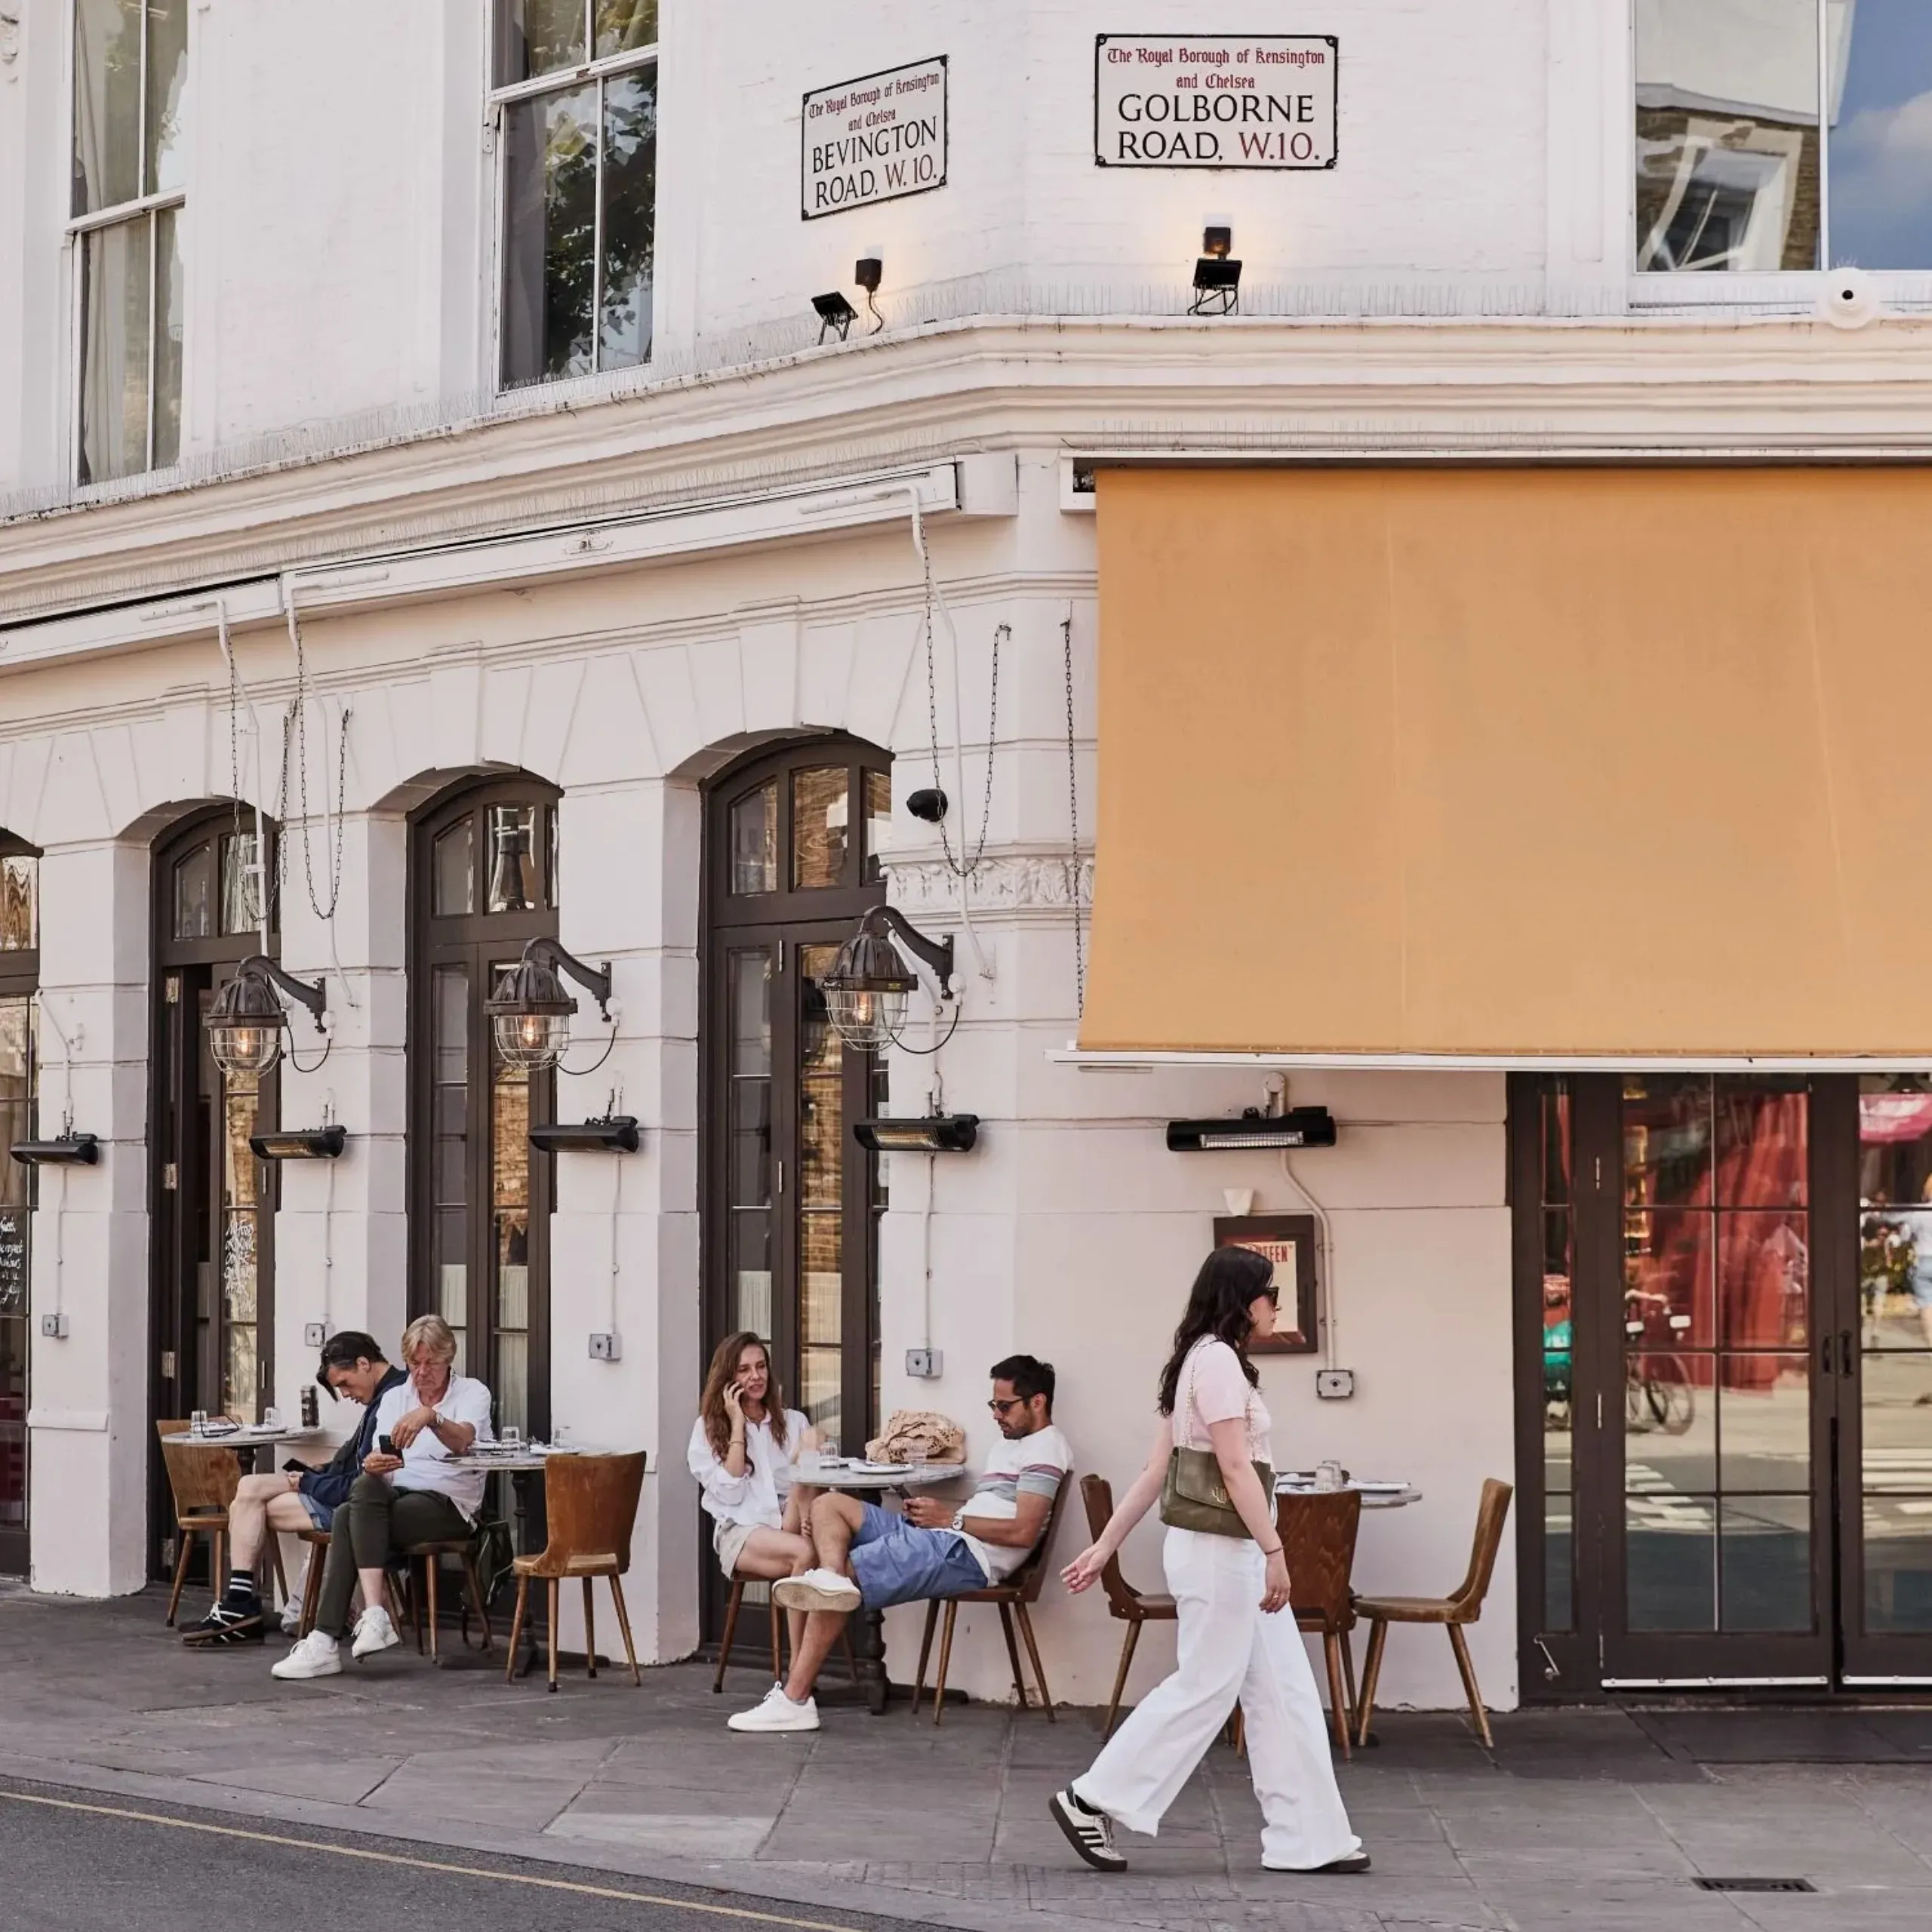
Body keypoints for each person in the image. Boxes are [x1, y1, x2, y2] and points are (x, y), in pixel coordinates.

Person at [1050, 1247, 1367, 1877]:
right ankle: (1092, 1797)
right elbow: (1231, 1465)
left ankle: (1309, 1838)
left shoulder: (1197, 1359)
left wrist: (1106, 1543)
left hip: (1225, 1552)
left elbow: (1155, 1470)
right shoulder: (1218, 1362)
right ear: (1244, 1300)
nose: (1276, 1306)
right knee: (1207, 1685)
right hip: (1226, 1555)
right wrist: (1276, 1551)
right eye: (1271, 1294)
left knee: (1285, 1694)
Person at [728, 1355, 1070, 1734]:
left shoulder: (1045, 1450)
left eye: (1004, 1406)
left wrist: (949, 1519)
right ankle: (829, 1577)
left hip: (966, 1555)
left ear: (1037, 1402)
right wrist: (939, 1519)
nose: (996, 1415)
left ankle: (795, 1698)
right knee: (828, 1505)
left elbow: (1023, 1532)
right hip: (944, 1538)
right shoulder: (1011, 1444)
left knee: (846, 1575)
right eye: (993, 1405)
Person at [272, 1315, 494, 1681]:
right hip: (396, 1497)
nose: (422, 1372)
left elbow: (463, 1441)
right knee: (361, 1492)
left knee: (346, 1516)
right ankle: (366, 1619)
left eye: (432, 1363)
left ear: (448, 1359)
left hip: (448, 1502)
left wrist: (430, 1418)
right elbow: (382, 1469)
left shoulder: (472, 1392)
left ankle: (331, 1638)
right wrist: (375, 1464)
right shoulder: (394, 1397)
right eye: (414, 1363)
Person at [182, 1331, 405, 1645]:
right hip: (345, 1494)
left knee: (248, 1496)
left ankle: (240, 1605)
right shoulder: (383, 1396)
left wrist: (311, 1481)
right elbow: (357, 1463)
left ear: (364, 1364)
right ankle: (241, 1603)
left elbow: (366, 1479)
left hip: (356, 1507)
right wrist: (322, 1472)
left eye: (344, 1384)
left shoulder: (393, 1398)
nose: (345, 1394)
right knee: (247, 1496)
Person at [688, 1331, 821, 1639]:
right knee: (805, 1552)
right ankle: (798, 1672)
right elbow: (731, 1491)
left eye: (761, 1367)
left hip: (790, 1521)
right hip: (741, 1530)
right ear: (729, 1378)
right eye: (744, 1370)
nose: (756, 1376)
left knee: (828, 1539)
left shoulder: (792, 1421)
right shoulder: (707, 1429)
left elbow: (806, 1485)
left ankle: (803, 1671)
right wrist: (737, 1423)